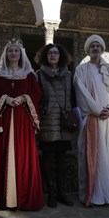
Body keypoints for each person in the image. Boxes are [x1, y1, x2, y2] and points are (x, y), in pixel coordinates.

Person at [73, 34, 109, 207]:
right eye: (92, 46)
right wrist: (98, 110)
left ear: (102, 49)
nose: (95, 49)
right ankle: (95, 195)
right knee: (95, 157)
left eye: (98, 46)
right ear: (87, 49)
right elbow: (82, 93)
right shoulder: (81, 70)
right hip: (93, 119)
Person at [0, 39, 44, 211]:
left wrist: (25, 97)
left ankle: (25, 198)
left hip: (23, 120)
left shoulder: (29, 75)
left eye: (16, 51)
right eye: (10, 51)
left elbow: (37, 93)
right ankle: (2, 198)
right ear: (6, 53)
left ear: (21, 53)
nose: (13, 54)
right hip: (4, 118)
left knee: (23, 155)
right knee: (3, 154)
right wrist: (5, 98)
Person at [34, 43, 76, 208]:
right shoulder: (39, 75)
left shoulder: (68, 75)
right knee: (48, 160)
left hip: (64, 124)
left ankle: (62, 193)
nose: (53, 56)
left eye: (56, 53)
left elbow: (73, 97)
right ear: (45, 56)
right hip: (48, 123)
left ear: (61, 56)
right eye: (50, 53)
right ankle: (51, 193)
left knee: (62, 161)